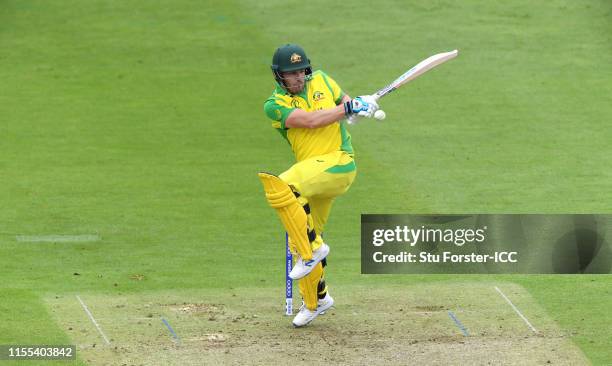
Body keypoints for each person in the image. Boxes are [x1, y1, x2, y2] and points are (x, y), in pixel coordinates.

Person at [258, 44, 382, 327]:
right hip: (313, 174)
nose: (298, 77)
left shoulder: (324, 80)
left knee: (283, 185)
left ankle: (314, 248)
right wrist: (349, 108)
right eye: (291, 73)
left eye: (301, 70)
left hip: (339, 163)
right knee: (297, 238)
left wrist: (360, 109)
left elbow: (347, 108)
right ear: (280, 77)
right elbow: (312, 121)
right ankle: (317, 301)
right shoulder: (274, 106)